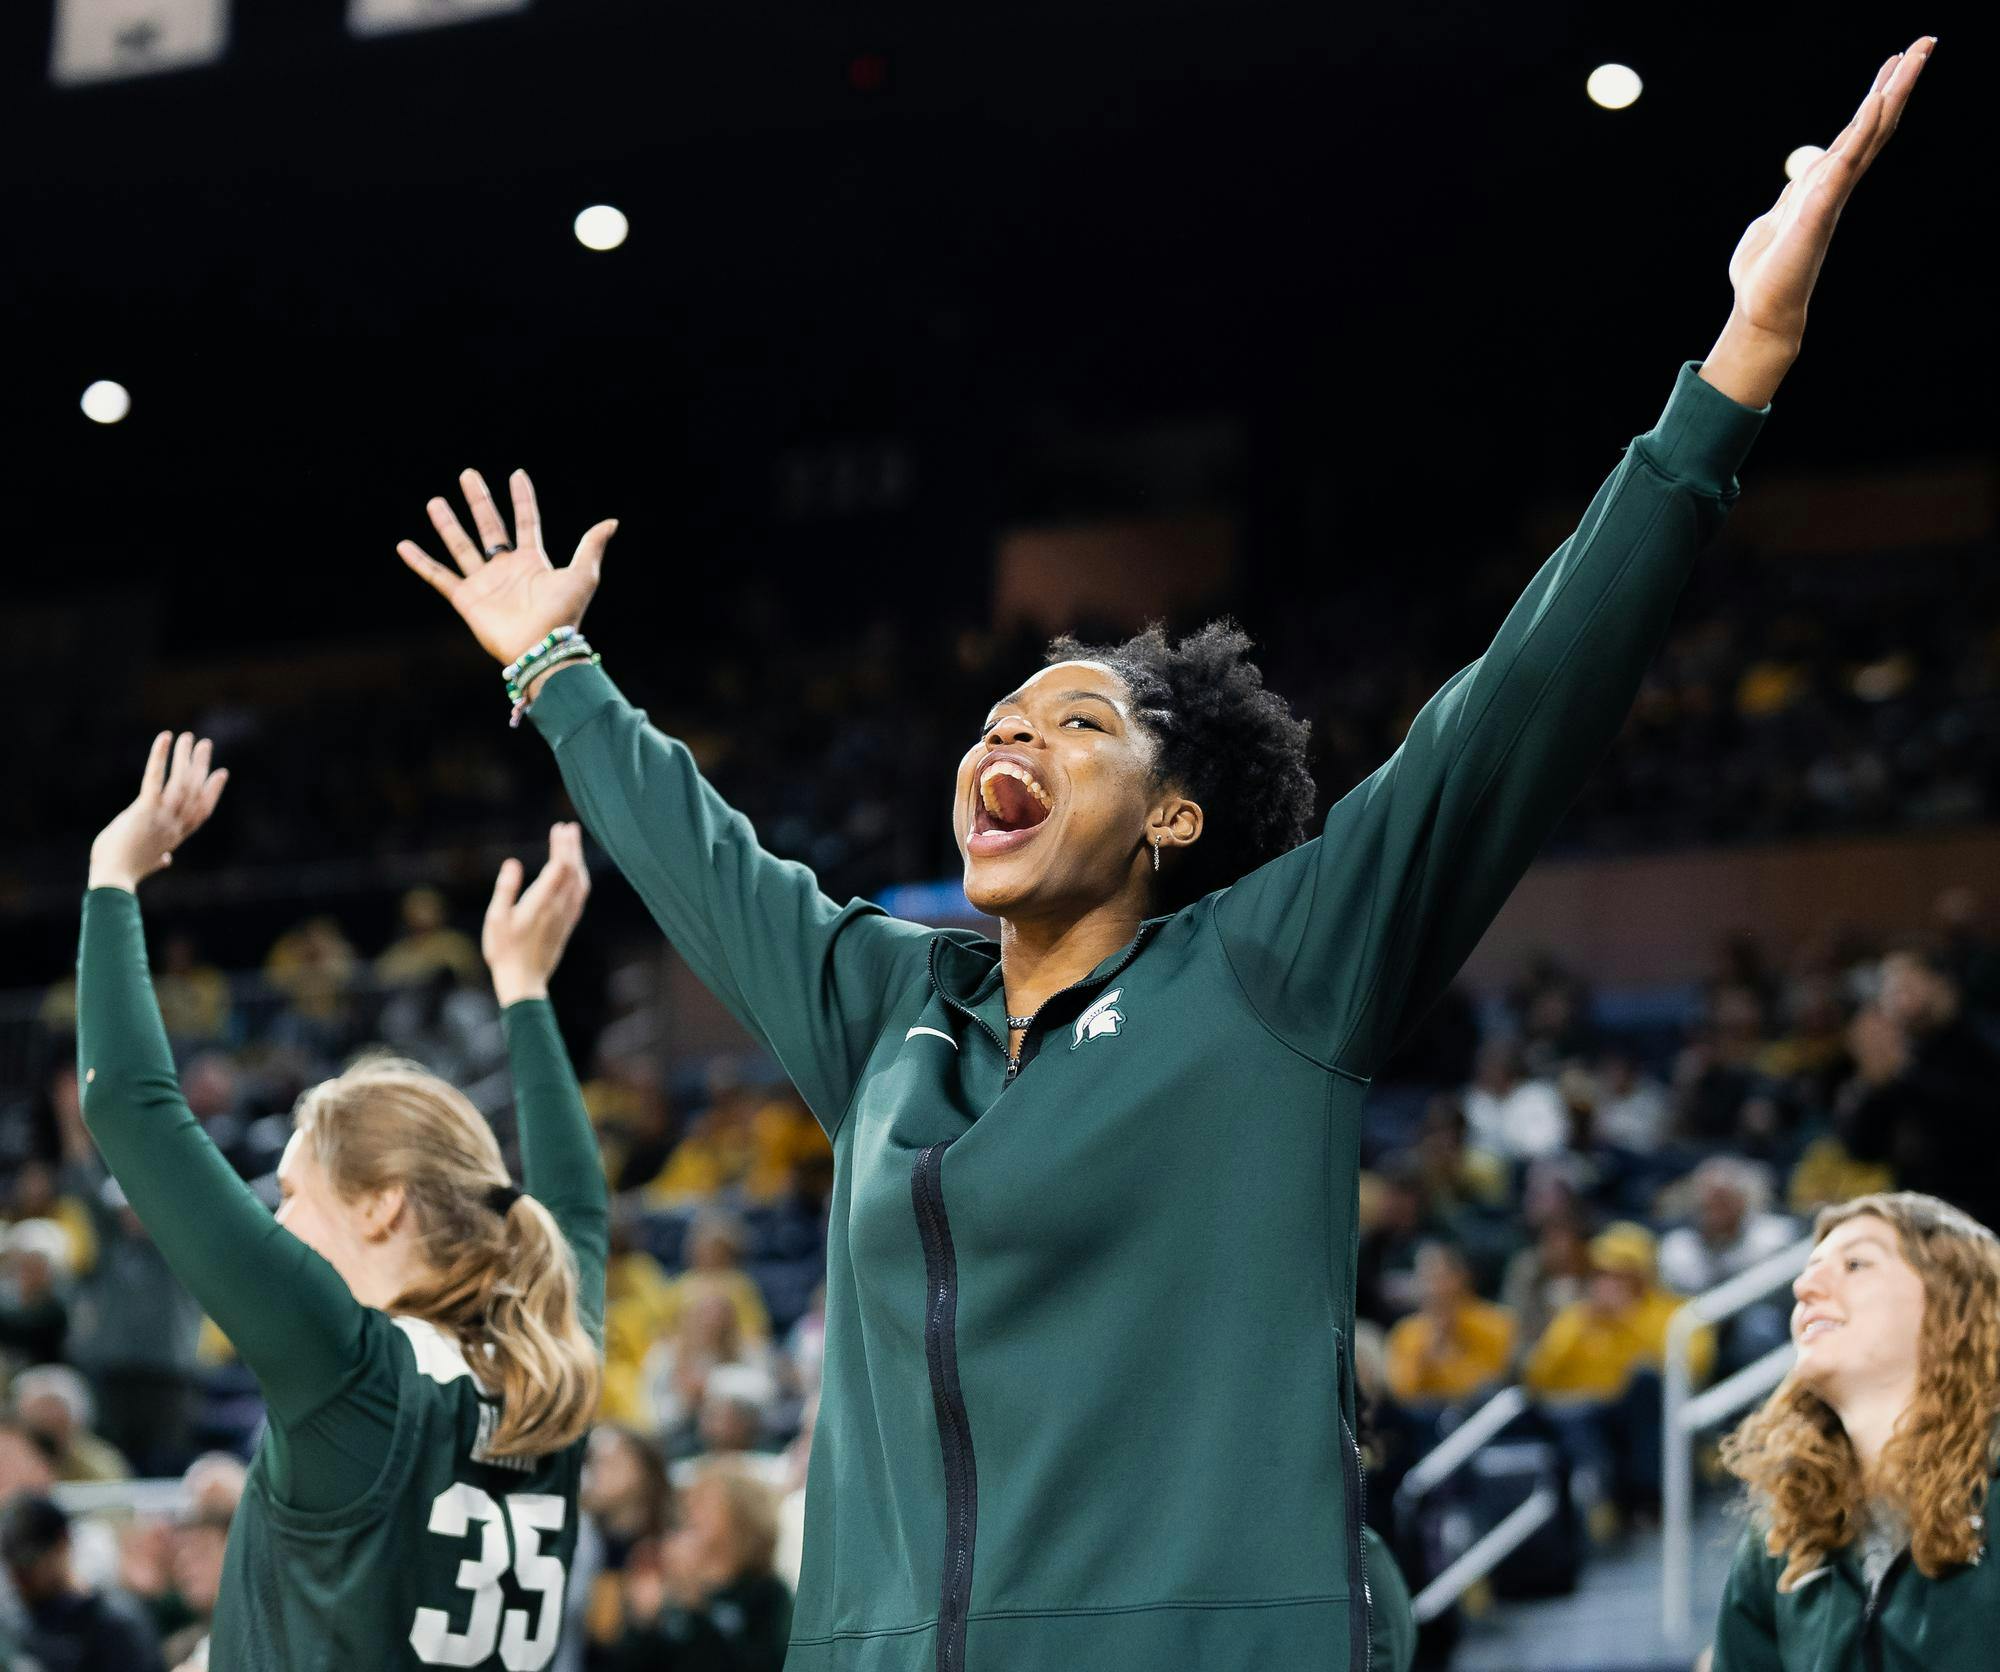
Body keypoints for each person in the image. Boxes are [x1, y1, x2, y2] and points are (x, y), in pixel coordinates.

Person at [397, 40, 1930, 1671]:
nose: (1005, 743)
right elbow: (701, 855)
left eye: (1071, 726)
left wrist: (1734, 371)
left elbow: (1518, 710)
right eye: (993, 722)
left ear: (1173, 815)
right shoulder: (882, 1008)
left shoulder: (1274, 970)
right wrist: (551, 670)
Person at [77, 733, 607, 1668]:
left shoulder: (351, 1371)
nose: (275, 1222)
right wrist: (523, 987)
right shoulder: (552, 1365)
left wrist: (111, 874)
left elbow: (126, 1101)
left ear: (381, 1206)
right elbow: (579, 1213)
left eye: (293, 1192)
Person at [1711, 1193, 2000, 1671]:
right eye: (1810, 1268)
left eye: (1855, 1264)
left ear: (1957, 1303)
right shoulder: (1780, 1541)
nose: (1805, 1285)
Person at [0, 1493, 165, 1672]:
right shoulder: (14, 1626)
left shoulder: (113, 1623)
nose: (19, 1578)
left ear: (62, 1543)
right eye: (12, 1565)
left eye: (29, 1565)